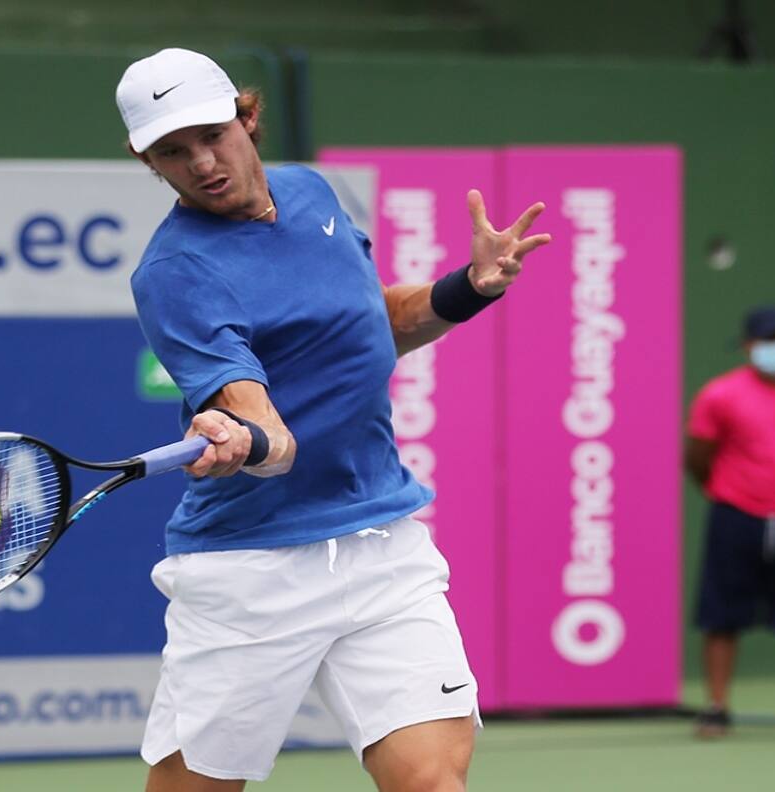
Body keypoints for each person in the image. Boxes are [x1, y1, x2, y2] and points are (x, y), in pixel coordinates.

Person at [116, 48, 550, 791]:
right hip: (252, 569)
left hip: (381, 544)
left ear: (248, 119)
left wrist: (469, 287)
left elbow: (373, 323)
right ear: (149, 162)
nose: (203, 163)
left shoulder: (310, 193)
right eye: (173, 152)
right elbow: (258, 418)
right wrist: (248, 437)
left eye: (213, 136)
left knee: (432, 782)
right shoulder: (175, 274)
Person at [686, 305, 775, 737]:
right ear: (748, 346)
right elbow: (698, 457)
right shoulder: (720, 395)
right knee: (722, 616)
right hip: (737, 515)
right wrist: (731, 494)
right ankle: (717, 707)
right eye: (770, 340)